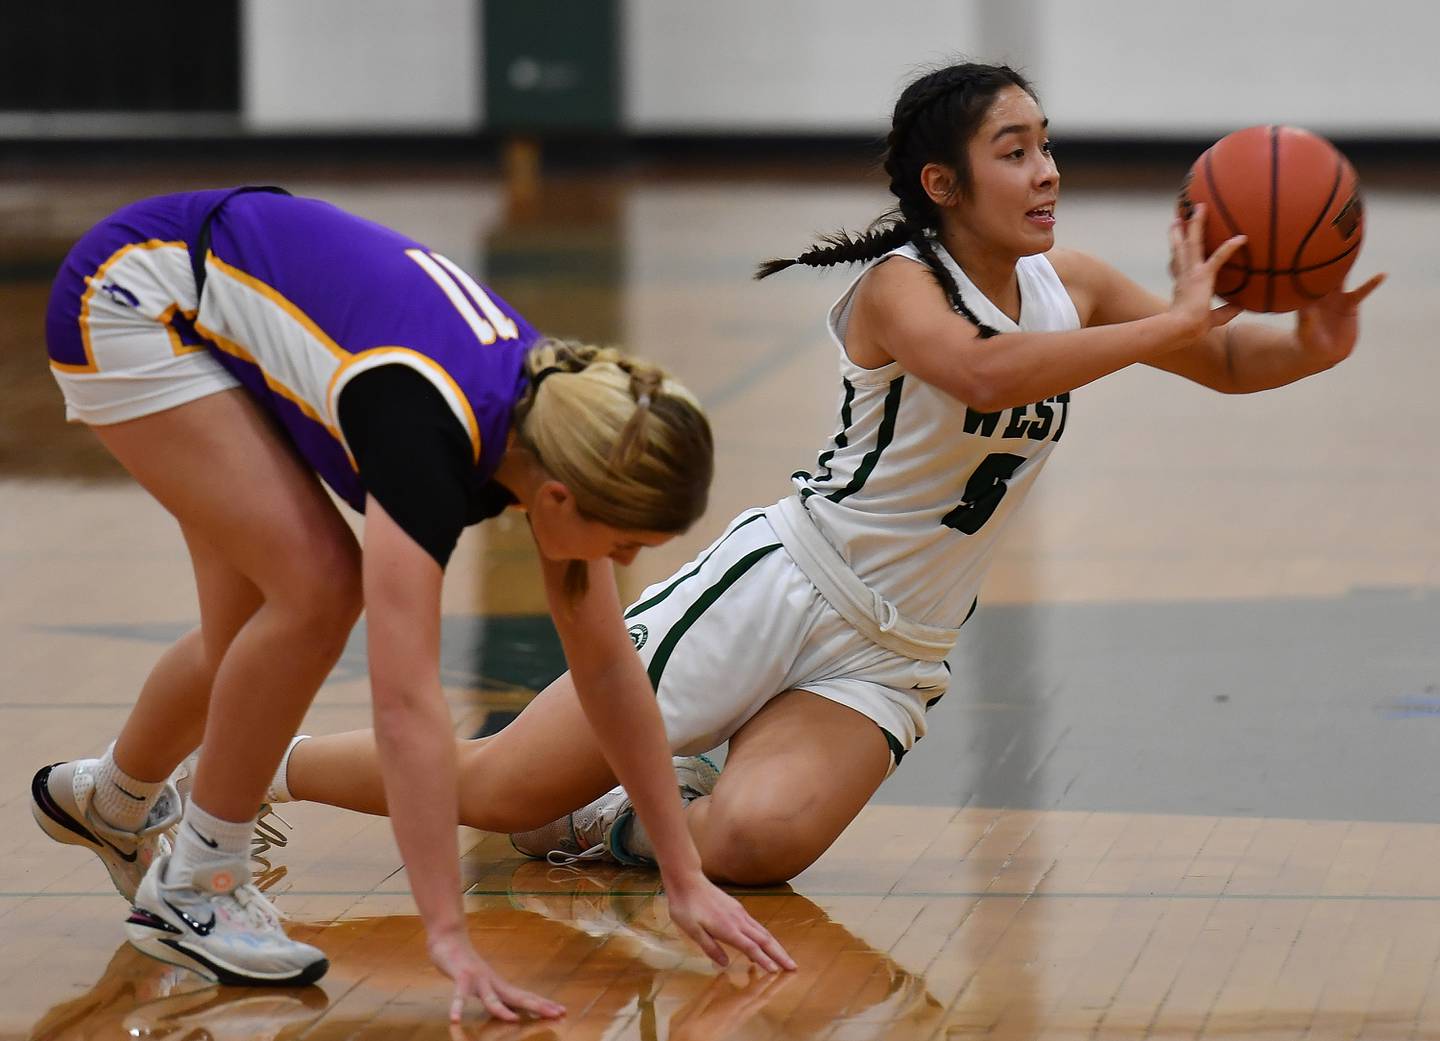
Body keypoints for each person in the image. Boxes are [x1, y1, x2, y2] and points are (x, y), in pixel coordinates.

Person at [181, 60, 1383, 888]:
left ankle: (610, 820)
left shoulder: (1083, 293)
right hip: (787, 586)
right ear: (942, 185)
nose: (1049, 170)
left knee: (755, 845)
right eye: (1015, 151)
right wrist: (1169, 327)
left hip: (896, 643)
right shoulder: (901, 286)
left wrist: (1309, 346)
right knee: (494, 788)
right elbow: (985, 373)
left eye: (1050, 145)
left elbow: (1226, 357)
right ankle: (240, 775)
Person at [28, 187, 793, 1022]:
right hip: (137, 299)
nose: (627, 561)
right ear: (561, 500)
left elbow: (611, 671)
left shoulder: (555, 424)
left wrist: (684, 876)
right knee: (318, 589)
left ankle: (109, 802)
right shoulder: (427, 434)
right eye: (623, 542)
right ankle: (202, 883)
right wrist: (447, 932)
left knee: (250, 634)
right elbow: (405, 704)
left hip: (209, 295)